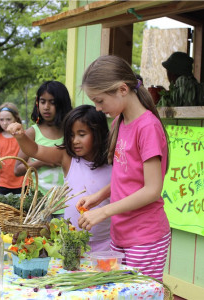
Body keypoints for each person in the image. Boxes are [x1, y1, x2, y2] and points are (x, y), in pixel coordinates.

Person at [77, 55, 171, 281]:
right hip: (121, 234)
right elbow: (127, 176)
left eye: (99, 101)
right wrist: (99, 197)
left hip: (145, 237)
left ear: (121, 89)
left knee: (140, 294)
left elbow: (152, 190)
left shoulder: (147, 127)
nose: (98, 108)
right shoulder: (121, 121)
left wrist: (104, 211)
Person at [8, 105, 112, 252]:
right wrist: (21, 136)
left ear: (98, 133)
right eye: (70, 135)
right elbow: (36, 150)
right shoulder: (68, 157)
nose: (75, 140)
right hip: (70, 242)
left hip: (106, 243)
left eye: (81, 134)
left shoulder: (114, 161)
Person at [14, 81, 73, 218]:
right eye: (42, 101)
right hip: (39, 204)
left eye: (52, 102)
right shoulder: (32, 132)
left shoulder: (70, 132)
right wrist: (42, 162)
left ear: (62, 104)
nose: (46, 107)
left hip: (66, 203)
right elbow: (17, 170)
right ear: (37, 103)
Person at [0, 102, 24, 195]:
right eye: (1, 120)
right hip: (3, 183)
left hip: (22, 182)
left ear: (16, 119)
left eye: (8, 119)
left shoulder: (22, 136)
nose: (4, 123)